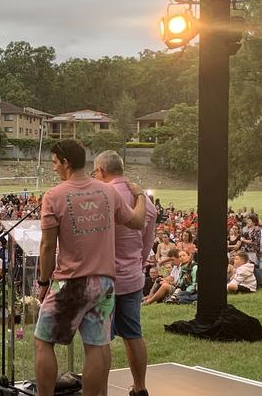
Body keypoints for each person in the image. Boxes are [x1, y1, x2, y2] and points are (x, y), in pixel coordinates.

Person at [34, 139, 146, 396]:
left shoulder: (53, 196)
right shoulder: (109, 192)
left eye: (54, 162)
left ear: (65, 162)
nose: (53, 168)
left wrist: (43, 283)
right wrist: (140, 195)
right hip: (105, 283)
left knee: (43, 341)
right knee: (97, 345)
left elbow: (48, 247)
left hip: (70, 282)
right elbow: (138, 221)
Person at [93, 150, 156, 396]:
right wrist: (135, 262)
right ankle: (140, 387)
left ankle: (101, 392)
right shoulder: (142, 199)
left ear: (102, 171)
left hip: (105, 278)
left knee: (101, 340)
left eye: (95, 171)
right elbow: (147, 241)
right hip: (132, 276)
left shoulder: (103, 196)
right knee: (133, 334)